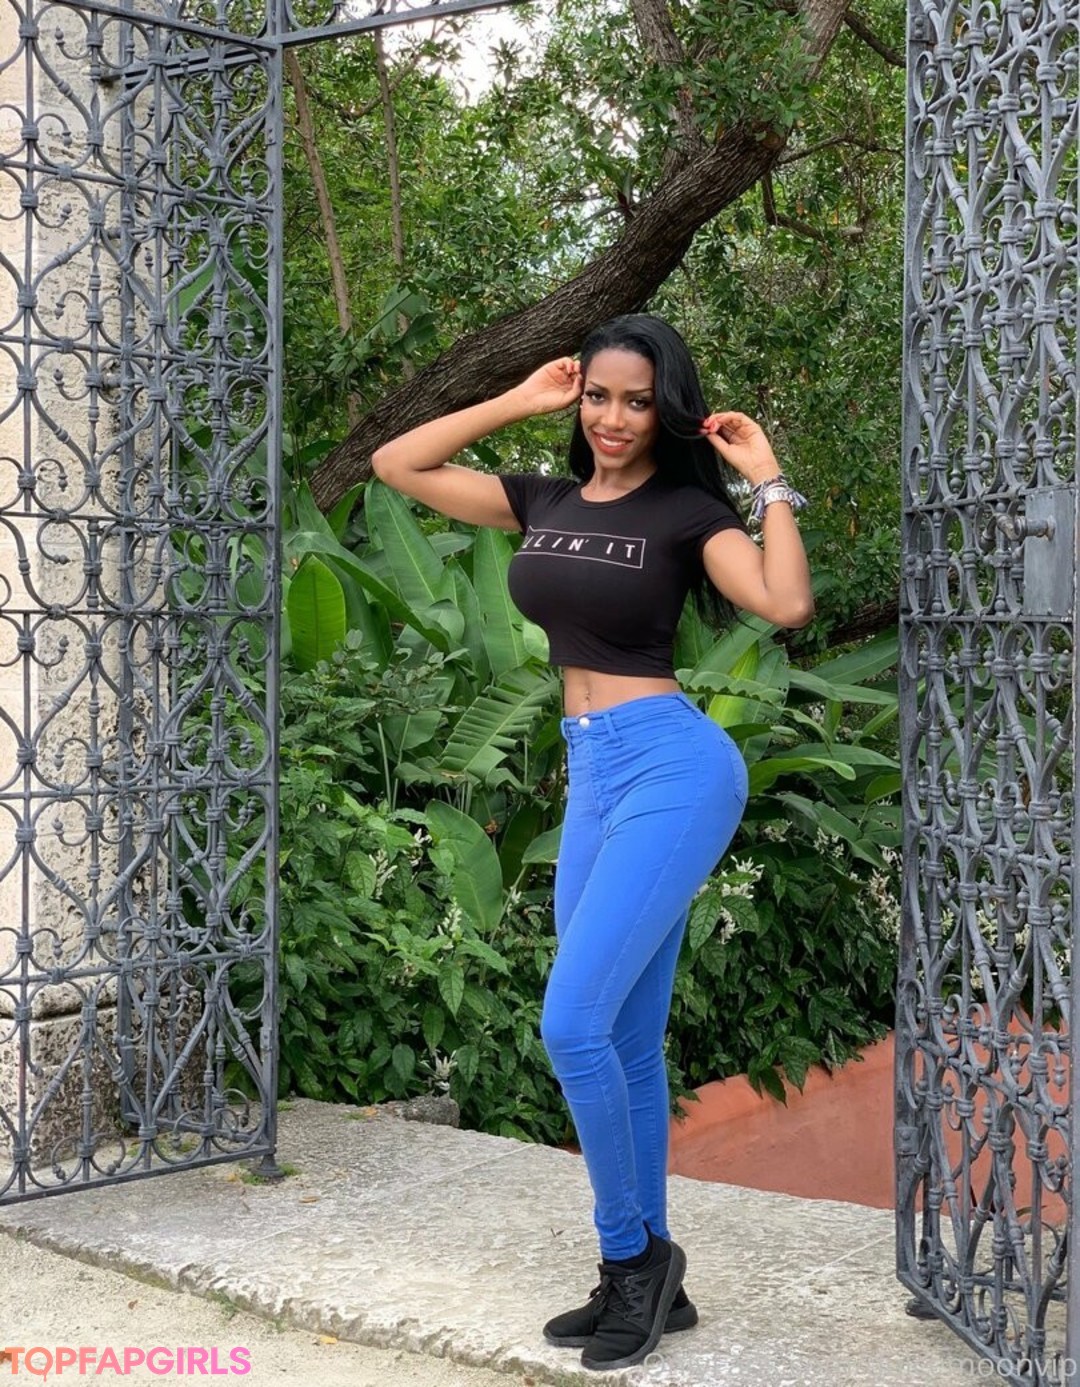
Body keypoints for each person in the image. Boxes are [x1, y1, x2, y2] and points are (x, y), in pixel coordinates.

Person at [370, 313, 813, 1372]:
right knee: (623, 1036)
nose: (614, 418)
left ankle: (631, 1258)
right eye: (599, 396)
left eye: (636, 400)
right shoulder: (545, 499)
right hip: (594, 773)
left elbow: (786, 601)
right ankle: (659, 1277)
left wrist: (766, 479)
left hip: (674, 767)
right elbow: (397, 464)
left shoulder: (687, 512)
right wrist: (520, 397)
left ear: (666, 410)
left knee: (571, 1022)